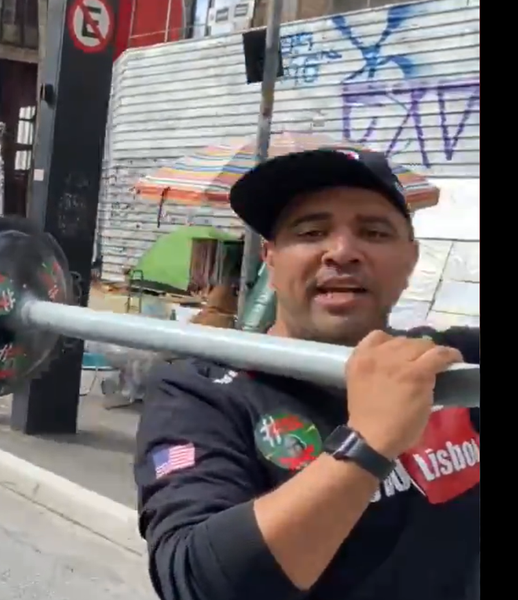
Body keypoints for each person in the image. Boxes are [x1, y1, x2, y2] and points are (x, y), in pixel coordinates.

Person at [133, 147, 480, 600]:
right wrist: (368, 442)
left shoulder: (451, 361)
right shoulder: (199, 391)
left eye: (374, 232)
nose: (342, 252)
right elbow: (196, 581)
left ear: (410, 260)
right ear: (270, 259)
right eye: (311, 232)